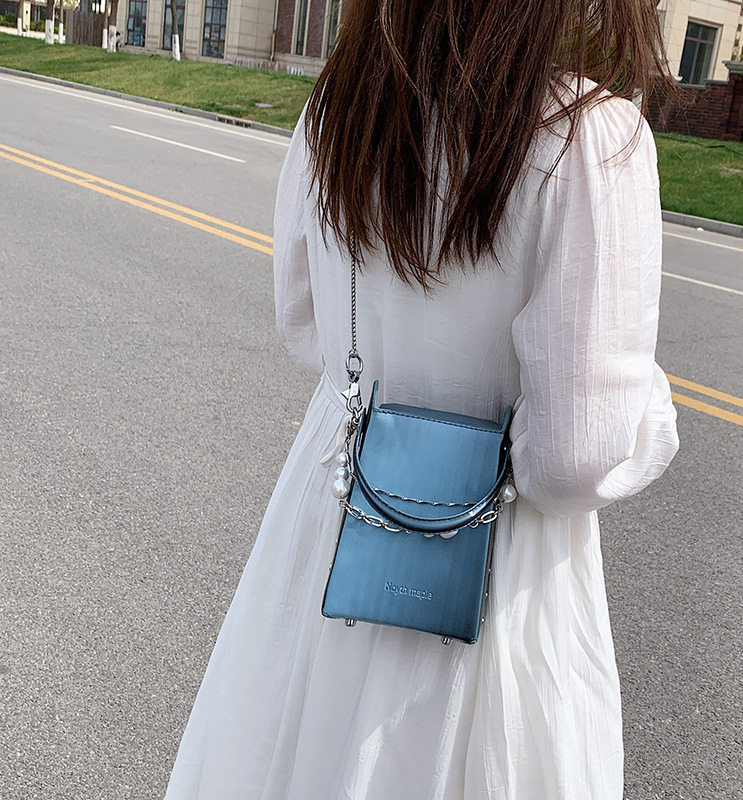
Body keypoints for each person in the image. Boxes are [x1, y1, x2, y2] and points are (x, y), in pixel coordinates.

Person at [163, 1, 681, 798]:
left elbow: (303, 322)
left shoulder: (342, 110)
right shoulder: (591, 142)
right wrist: (652, 413)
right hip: (496, 562)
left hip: (343, 513)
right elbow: (572, 461)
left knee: (288, 751)